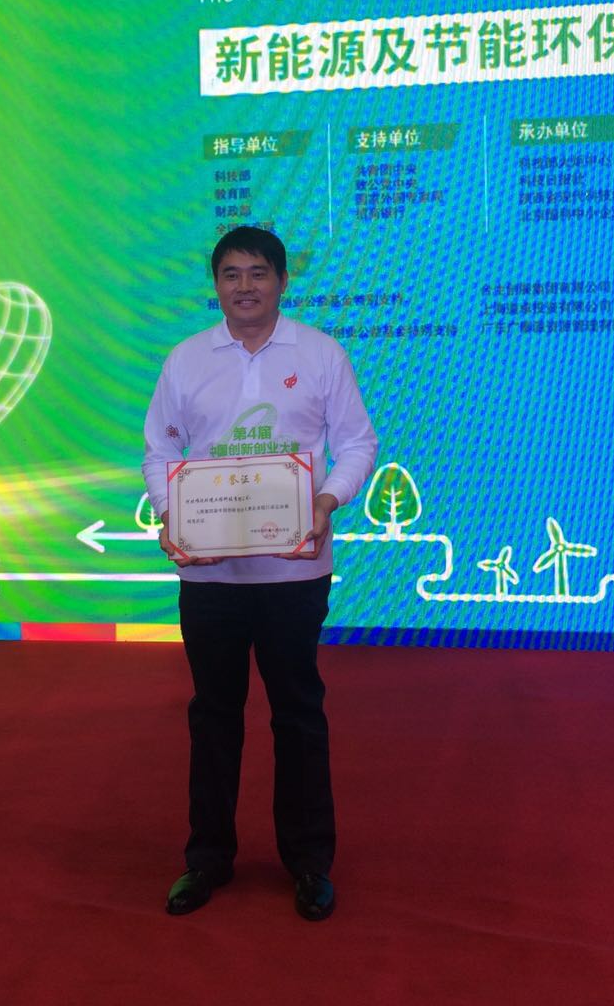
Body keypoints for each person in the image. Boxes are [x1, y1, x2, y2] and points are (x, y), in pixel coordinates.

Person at [142, 226, 377, 921]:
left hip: (293, 571)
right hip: (210, 577)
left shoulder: (320, 353)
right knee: (213, 716)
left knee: (298, 713)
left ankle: (309, 862)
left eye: (258, 273)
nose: (244, 286)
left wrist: (326, 502)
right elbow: (160, 452)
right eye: (231, 274)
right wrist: (172, 514)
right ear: (215, 284)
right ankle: (207, 859)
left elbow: (357, 442)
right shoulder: (186, 360)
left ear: (281, 281)